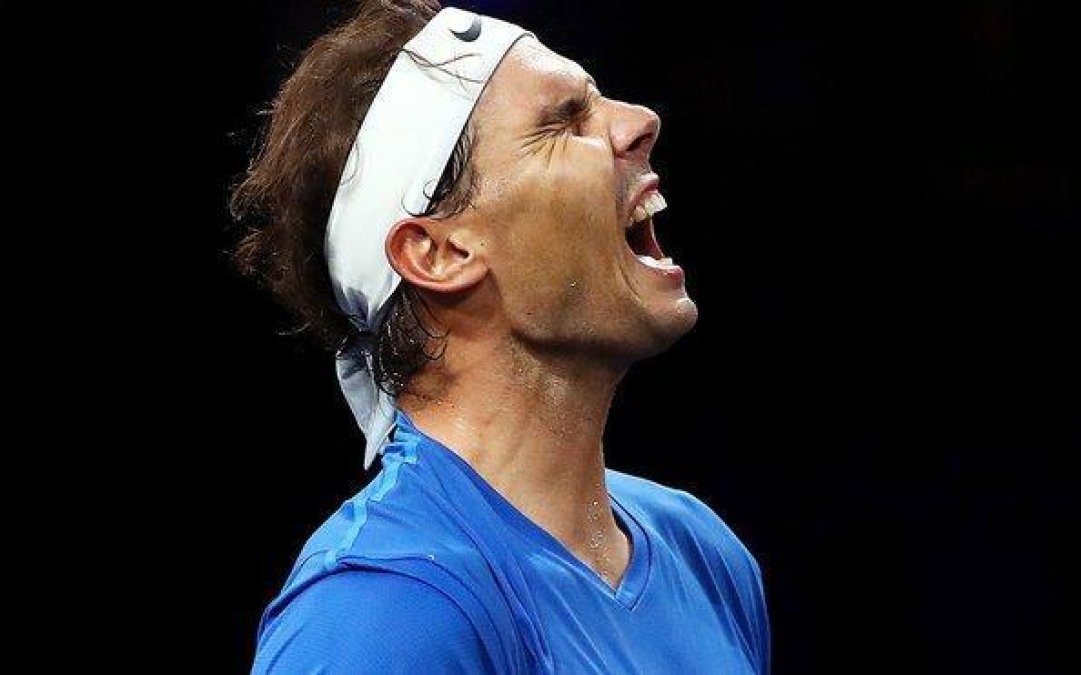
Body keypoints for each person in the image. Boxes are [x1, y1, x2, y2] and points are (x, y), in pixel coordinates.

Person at [232, 1, 770, 672]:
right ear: (441, 252)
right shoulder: (383, 613)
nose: (639, 122)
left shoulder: (703, 553)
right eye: (566, 122)